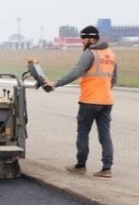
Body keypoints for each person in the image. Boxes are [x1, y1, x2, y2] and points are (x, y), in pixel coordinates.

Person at [44, 25, 118, 178]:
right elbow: (114, 79)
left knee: (83, 133)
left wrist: (56, 83)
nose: (82, 42)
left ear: (90, 38)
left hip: (89, 100)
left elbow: (76, 72)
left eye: (83, 39)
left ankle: (80, 165)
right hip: (106, 101)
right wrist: (104, 91)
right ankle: (107, 168)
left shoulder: (89, 53)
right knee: (105, 135)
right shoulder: (111, 54)